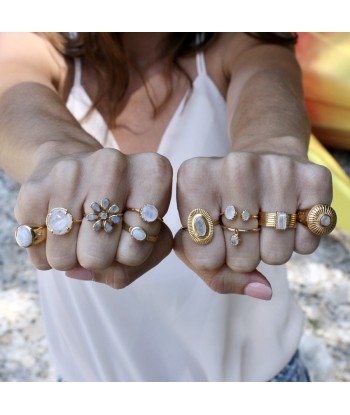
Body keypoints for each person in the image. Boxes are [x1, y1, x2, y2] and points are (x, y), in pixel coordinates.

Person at [0, 32, 333, 381]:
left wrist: (274, 151)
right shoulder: (36, 39)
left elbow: (269, 98)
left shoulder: (247, 40)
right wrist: (58, 154)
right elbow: (16, 95)